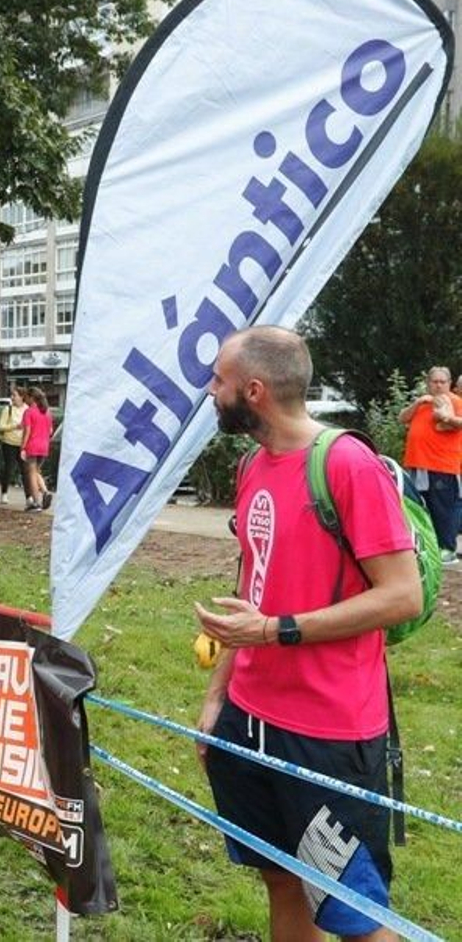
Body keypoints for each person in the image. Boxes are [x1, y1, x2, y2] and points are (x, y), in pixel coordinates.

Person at [195, 326, 422, 942]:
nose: (211, 391)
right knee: (281, 878)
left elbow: (404, 594)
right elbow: (254, 580)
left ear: (255, 390)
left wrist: (275, 631)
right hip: (250, 718)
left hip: (327, 732)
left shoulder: (348, 464)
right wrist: (220, 696)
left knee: (355, 916)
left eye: (219, 380)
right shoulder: (250, 465)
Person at [397, 365, 462, 562]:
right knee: (424, 508)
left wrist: (447, 417)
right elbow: (402, 418)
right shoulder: (424, 403)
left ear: (449, 384)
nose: (439, 385)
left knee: (444, 507)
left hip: (442, 464)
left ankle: (448, 548)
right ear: (428, 383)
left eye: (443, 381)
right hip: (418, 464)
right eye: (435, 381)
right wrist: (417, 403)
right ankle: (432, 547)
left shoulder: (455, 401)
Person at [20, 387, 54, 512]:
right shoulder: (47, 412)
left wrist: (23, 447)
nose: (25, 400)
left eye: (26, 397)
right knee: (36, 471)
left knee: (31, 474)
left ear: (31, 398)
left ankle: (36, 503)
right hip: (44, 446)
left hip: (32, 446)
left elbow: (27, 431)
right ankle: (45, 492)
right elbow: (50, 431)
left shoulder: (29, 412)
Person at [0, 386, 27, 505]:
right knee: (9, 469)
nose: (12, 398)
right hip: (9, 443)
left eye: (15, 395)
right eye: (12, 395)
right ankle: (4, 493)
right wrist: (15, 426)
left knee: (25, 471)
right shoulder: (7, 409)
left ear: (22, 397)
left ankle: (29, 497)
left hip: (23, 444)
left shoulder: (27, 410)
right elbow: (0, 427)